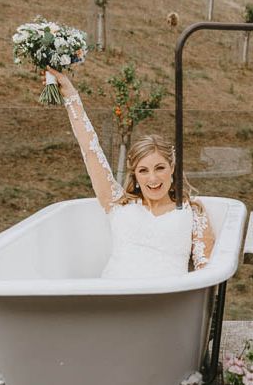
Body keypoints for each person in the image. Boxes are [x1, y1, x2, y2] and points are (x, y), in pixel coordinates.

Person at [47, 68, 215, 279]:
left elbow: (205, 270)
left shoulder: (192, 212)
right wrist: (71, 96)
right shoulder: (118, 204)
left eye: (160, 168)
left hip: (165, 304)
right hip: (113, 296)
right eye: (143, 171)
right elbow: (90, 150)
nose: (153, 179)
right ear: (135, 174)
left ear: (172, 168)